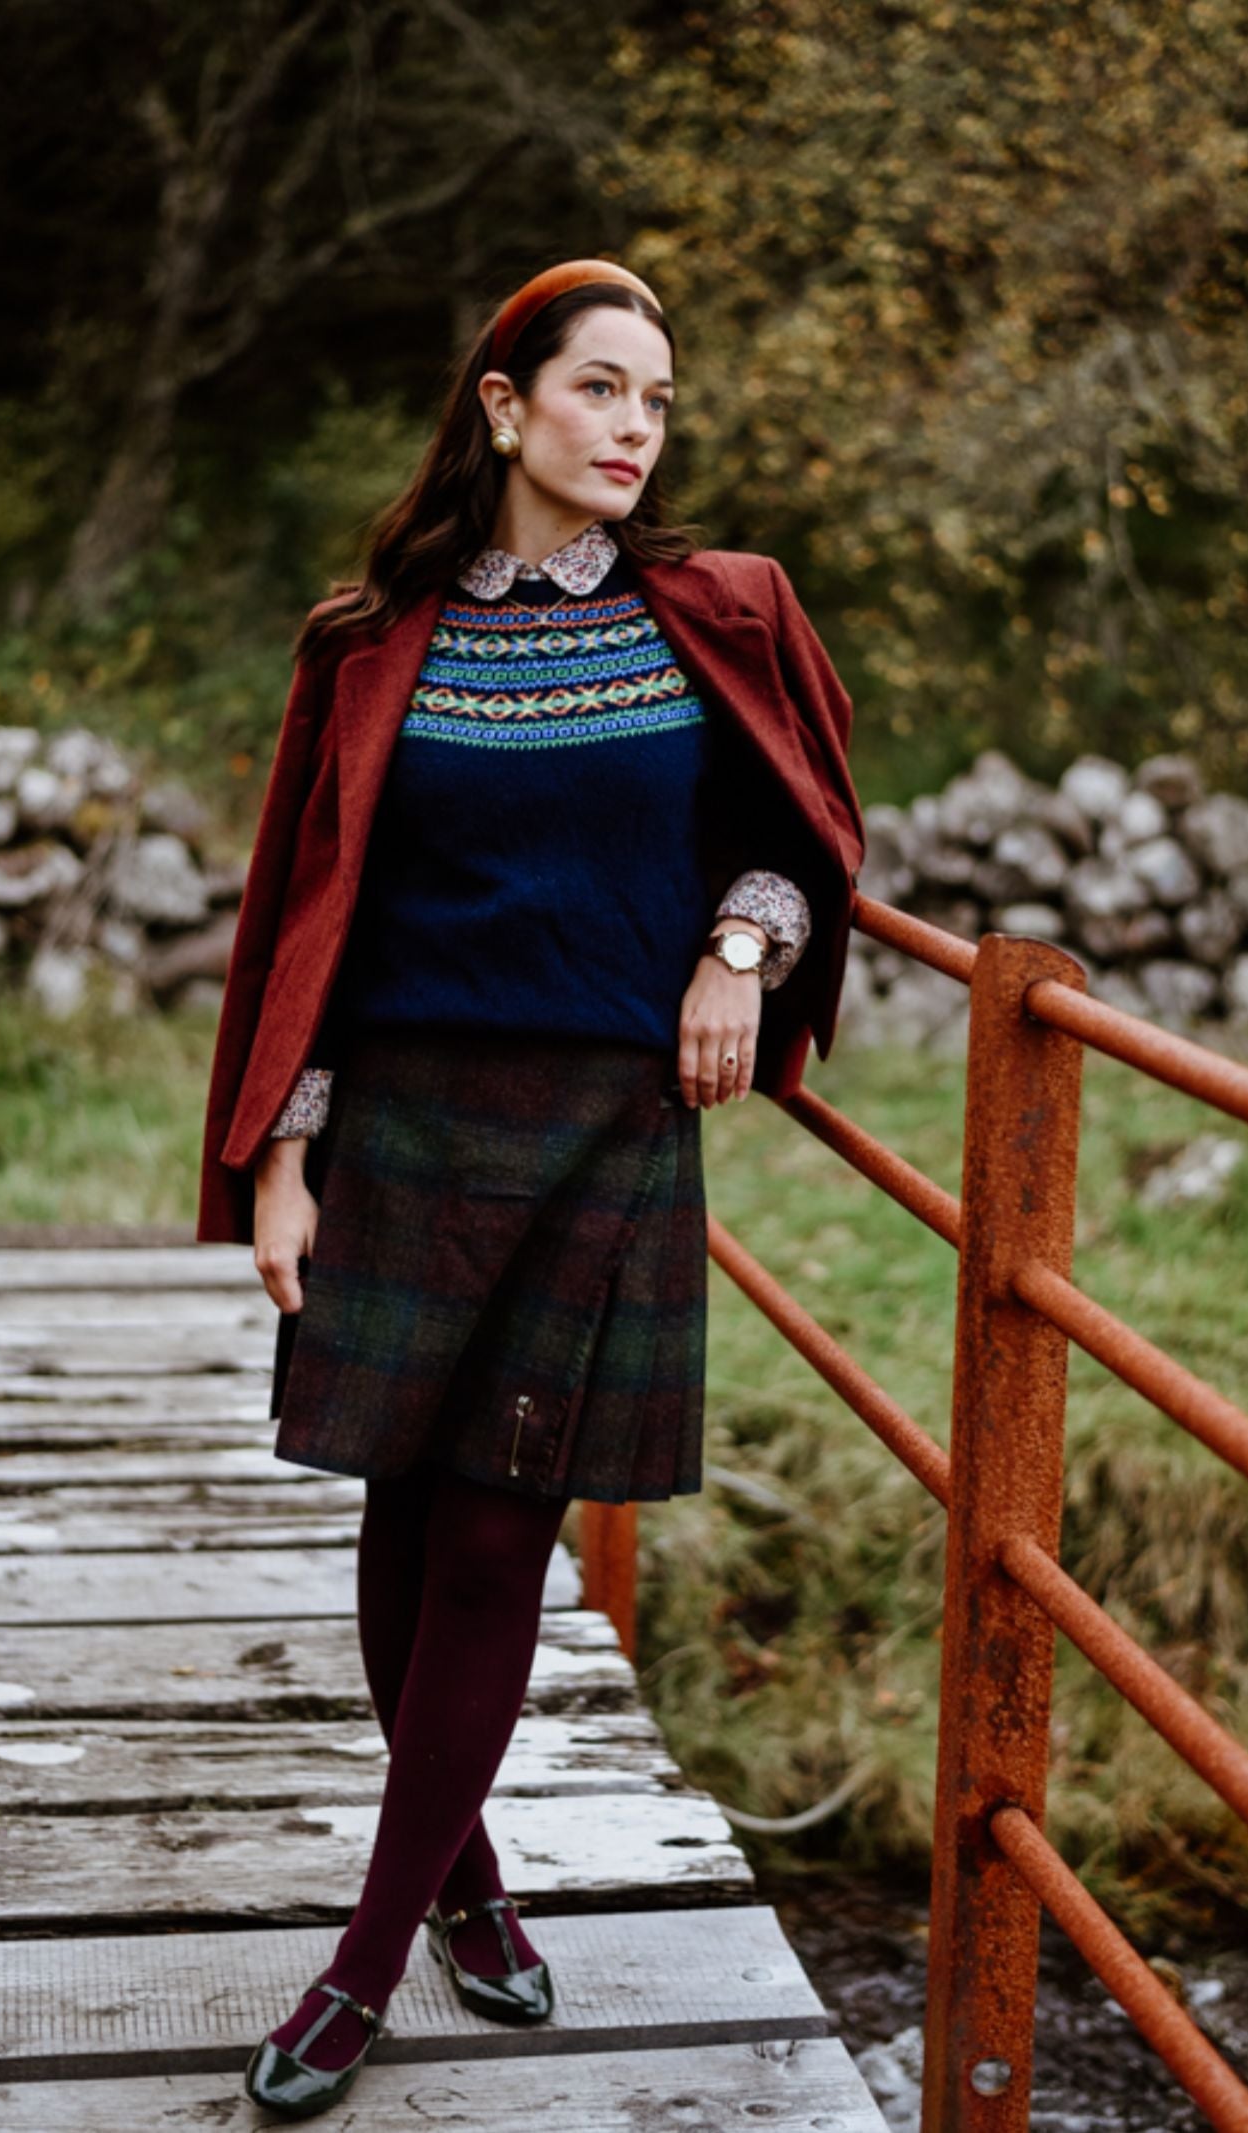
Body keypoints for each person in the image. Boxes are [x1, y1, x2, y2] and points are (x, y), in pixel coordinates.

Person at [195, 257, 866, 2118]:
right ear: (505, 409)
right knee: (400, 1521)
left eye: (656, 398)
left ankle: (360, 1965)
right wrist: (288, 1156)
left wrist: (738, 949)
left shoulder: (720, 610)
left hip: (603, 1133)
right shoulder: (370, 642)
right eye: (599, 390)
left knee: (499, 1533)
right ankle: (465, 1879)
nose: (636, 427)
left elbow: (806, 832)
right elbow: (322, 921)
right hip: (406, 1119)